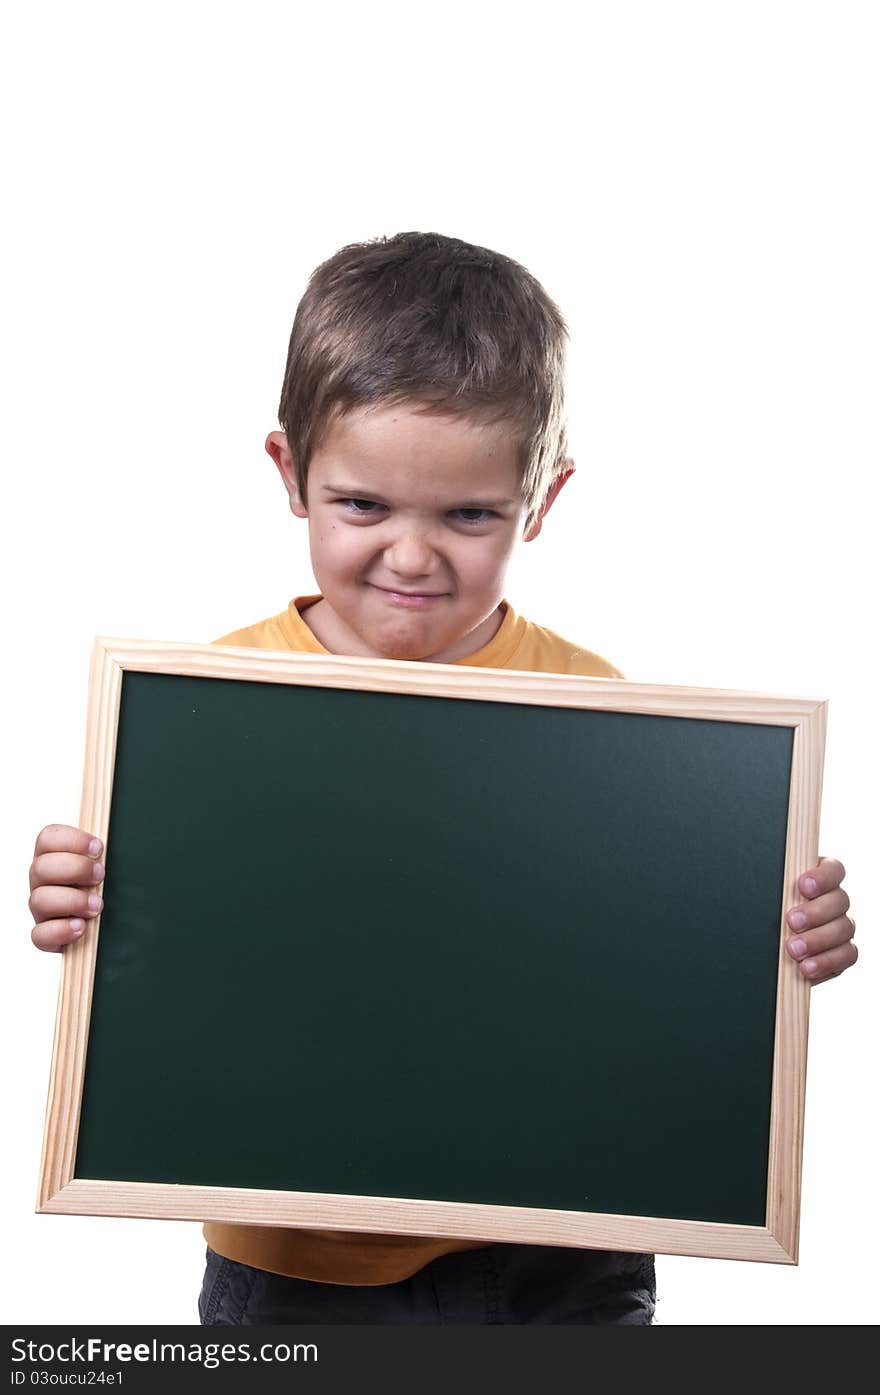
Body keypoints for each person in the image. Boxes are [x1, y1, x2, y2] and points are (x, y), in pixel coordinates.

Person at [27, 232, 858, 1325]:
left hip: (567, 1243)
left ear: (543, 499)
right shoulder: (206, 703)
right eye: (362, 506)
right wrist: (86, 903)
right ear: (290, 474)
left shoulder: (601, 712)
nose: (412, 558)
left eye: (469, 515)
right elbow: (176, 964)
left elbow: (641, 954)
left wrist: (775, 940)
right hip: (292, 1260)